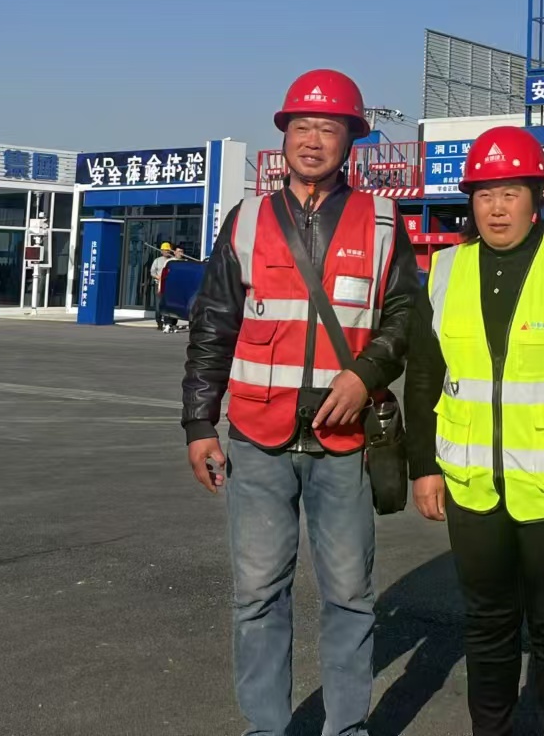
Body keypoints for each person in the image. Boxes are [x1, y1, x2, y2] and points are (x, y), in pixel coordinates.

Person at [182, 68, 421, 736]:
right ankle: (266, 728)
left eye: (329, 128)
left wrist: (365, 374)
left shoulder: (382, 221)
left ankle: (346, 729)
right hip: (258, 438)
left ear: (352, 140)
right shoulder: (248, 219)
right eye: (302, 126)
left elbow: (406, 315)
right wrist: (199, 421)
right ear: (285, 134)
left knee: (349, 596)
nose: (313, 140)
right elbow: (213, 324)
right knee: (258, 595)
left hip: (345, 444)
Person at [405, 127, 544, 736]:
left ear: (537, 198)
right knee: (487, 624)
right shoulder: (445, 271)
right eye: (485, 194)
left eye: (511, 193)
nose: (497, 208)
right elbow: (423, 377)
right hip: (471, 485)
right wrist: (422, 467)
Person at [150, 242, 174, 308]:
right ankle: (158, 314)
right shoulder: (157, 260)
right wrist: (159, 278)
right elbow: (152, 272)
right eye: (165, 250)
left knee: (169, 303)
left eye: (168, 250)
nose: (167, 251)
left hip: (170, 285)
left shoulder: (173, 260)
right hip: (159, 285)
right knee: (159, 303)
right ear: (161, 251)